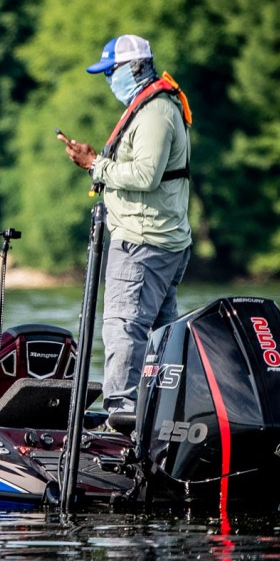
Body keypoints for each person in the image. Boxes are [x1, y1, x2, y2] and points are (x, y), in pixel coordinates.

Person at [58, 34, 193, 418]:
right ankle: (156, 418)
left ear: (134, 68)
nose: (107, 80)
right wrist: (96, 163)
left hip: (143, 243)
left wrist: (95, 165)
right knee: (160, 338)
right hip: (156, 241)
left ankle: (122, 414)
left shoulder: (154, 113)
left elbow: (146, 175)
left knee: (123, 328)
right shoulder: (153, 105)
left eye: (110, 72)